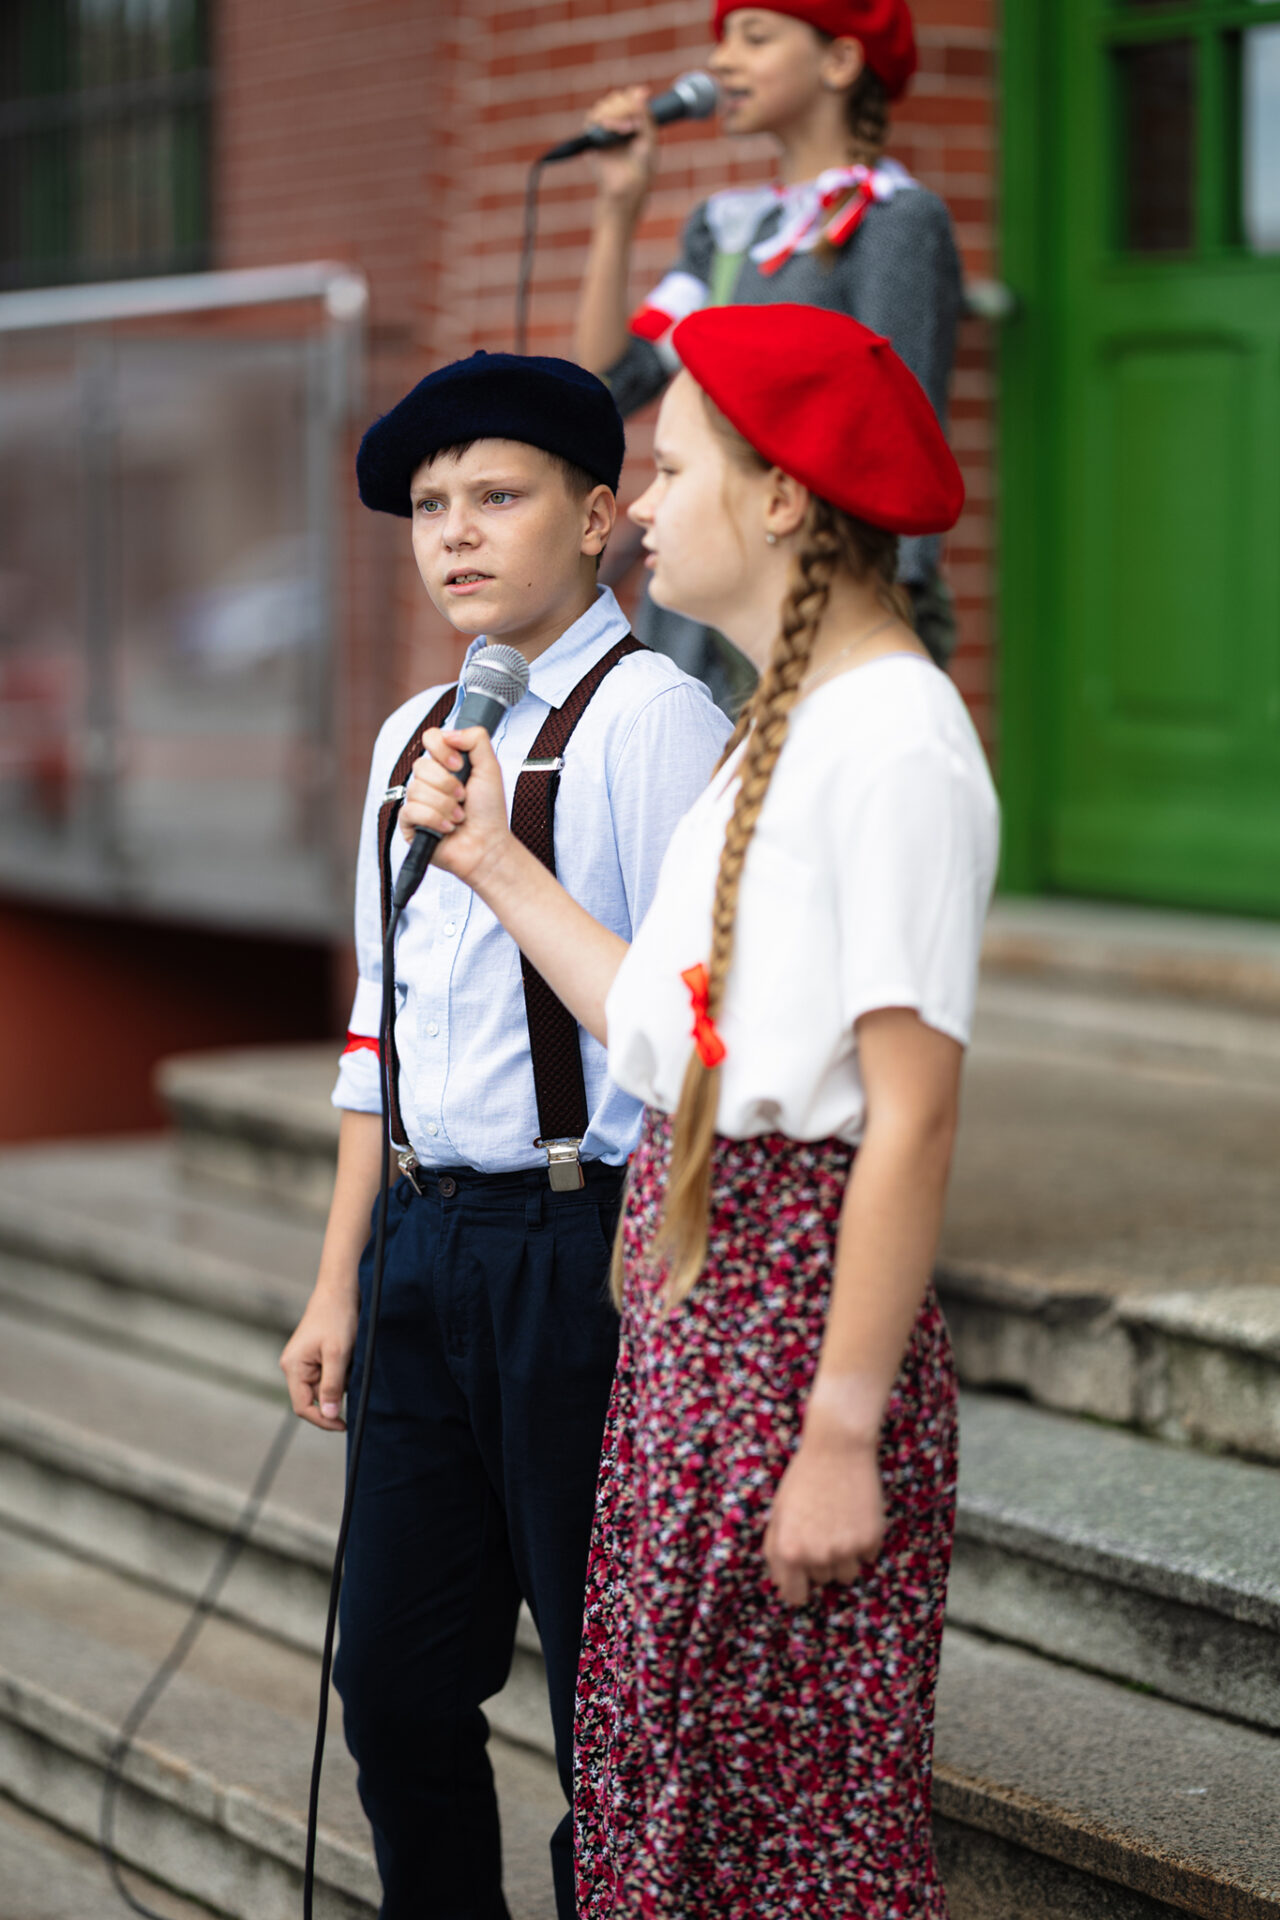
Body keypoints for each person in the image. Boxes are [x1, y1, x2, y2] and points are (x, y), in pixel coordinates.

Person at [398, 303, 999, 1917]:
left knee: (789, 1834)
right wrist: (492, 862)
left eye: (674, 468)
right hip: (698, 1320)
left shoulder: (895, 738)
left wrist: (842, 1432)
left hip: (792, 1317)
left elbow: (910, 1118)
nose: (645, 506)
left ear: (785, 495)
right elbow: (664, 1028)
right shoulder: (775, 730)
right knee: (673, 1796)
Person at [279, 348, 730, 1920]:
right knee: (393, 1682)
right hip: (421, 1241)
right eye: (429, 506)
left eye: (497, 496)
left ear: (601, 515)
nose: (455, 532)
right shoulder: (416, 730)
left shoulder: (654, 720)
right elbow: (379, 1026)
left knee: (606, 1695)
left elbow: (692, 1029)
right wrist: (339, 1278)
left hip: (576, 1244)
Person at [575, 0, 963, 683]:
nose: (721, 61)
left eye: (754, 38)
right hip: (706, 603)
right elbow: (612, 381)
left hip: (813, 605)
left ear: (840, 60)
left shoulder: (892, 221)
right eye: (723, 40)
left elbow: (898, 438)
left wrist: (890, 613)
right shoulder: (732, 229)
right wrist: (618, 206)